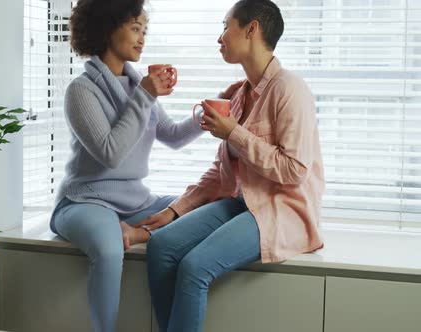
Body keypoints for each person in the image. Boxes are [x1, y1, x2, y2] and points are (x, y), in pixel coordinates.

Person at [136, 1, 325, 331]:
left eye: (225, 26)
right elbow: (220, 172)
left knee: (195, 267)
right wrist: (176, 210)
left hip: (281, 209)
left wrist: (233, 133)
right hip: (242, 204)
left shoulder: (290, 89)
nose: (220, 37)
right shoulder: (239, 95)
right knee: (162, 246)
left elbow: (295, 170)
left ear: (251, 29)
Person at [48, 0, 228, 331]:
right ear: (106, 27)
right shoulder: (81, 91)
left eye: (144, 30)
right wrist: (145, 95)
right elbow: (110, 153)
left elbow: (172, 136)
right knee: (108, 248)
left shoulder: (136, 86)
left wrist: (211, 111)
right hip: (86, 202)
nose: (142, 37)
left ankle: (141, 233)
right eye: (134, 28)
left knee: (203, 207)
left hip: (136, 202)